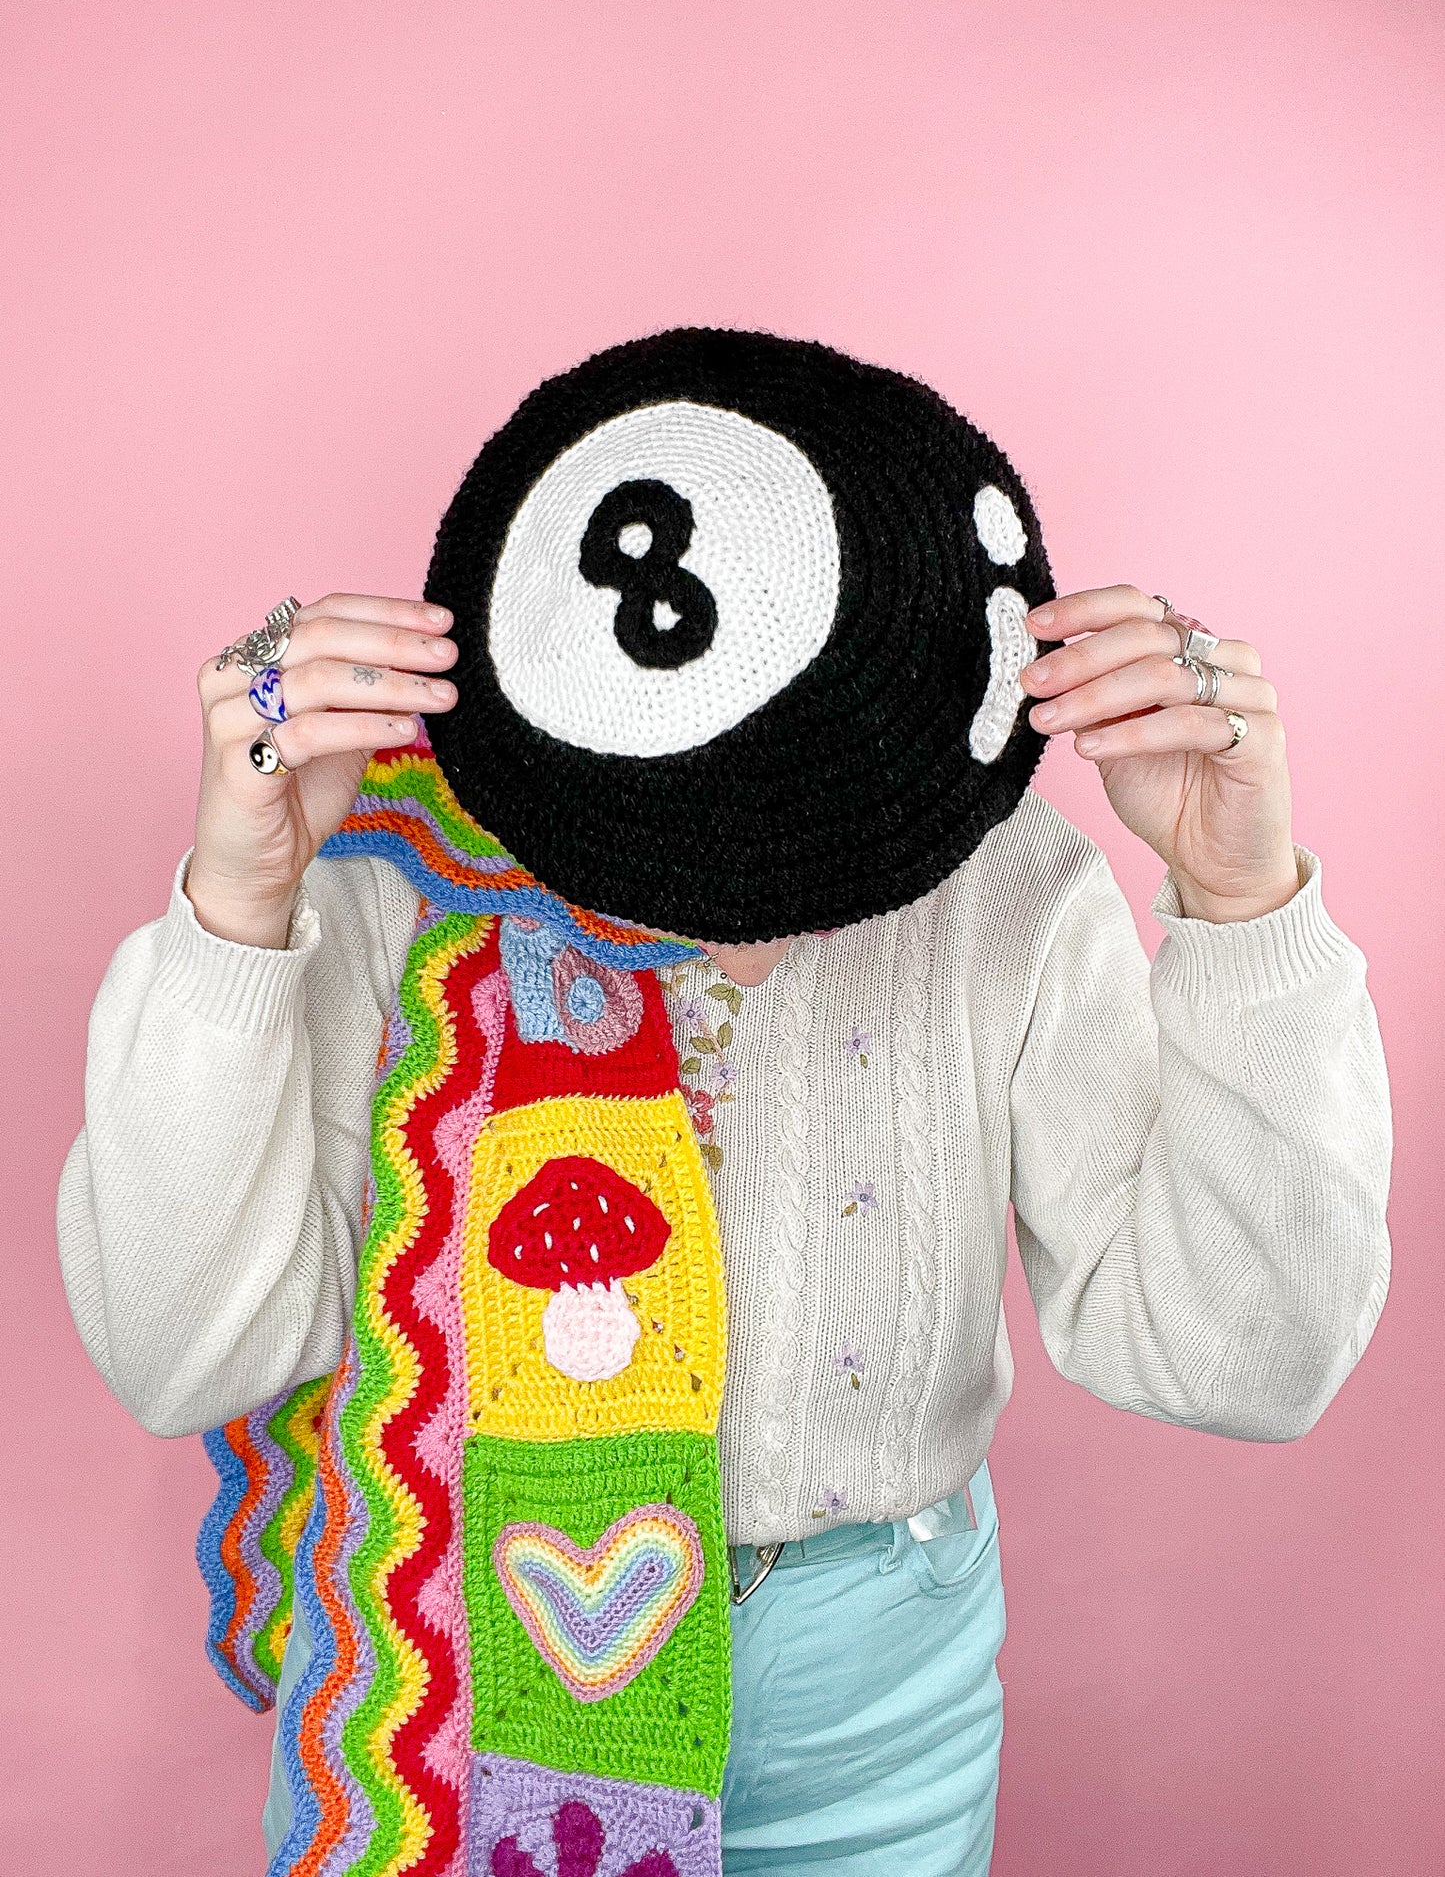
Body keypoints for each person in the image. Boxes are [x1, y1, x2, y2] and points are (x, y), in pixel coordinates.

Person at [58, 331, 1391, 1877]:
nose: (741, 888)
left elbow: (1249, 1359)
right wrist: (238, 902)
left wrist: (1238, 902)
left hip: (878, 1682)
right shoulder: (390, 883)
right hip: (465, 1646)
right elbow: (180, 1356)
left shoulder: (1014, 892)